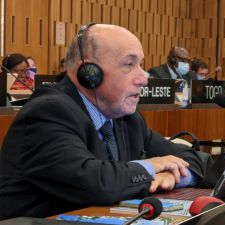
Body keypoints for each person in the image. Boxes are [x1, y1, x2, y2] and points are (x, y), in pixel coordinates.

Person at [0, 24, 212, 219]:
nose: (144, 79)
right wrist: (149, 167)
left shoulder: (126, 118)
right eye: (129, 65)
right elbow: (96, 183)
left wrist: (174, 175)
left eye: (141, 64)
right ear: (89, 74)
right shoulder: (48, 112)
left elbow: (198, 161)